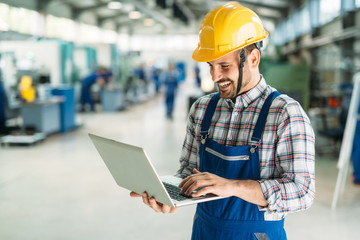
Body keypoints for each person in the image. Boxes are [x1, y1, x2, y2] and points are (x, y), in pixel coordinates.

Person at [131, 2, 315, 239]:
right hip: (204, 230)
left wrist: (232, 186)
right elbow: (189, 170)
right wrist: (171, 196)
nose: (215, 76)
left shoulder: (285, 114)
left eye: (224, 66)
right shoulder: (202, 108)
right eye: (211, 66)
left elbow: (303, 193)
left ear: (253, 59)